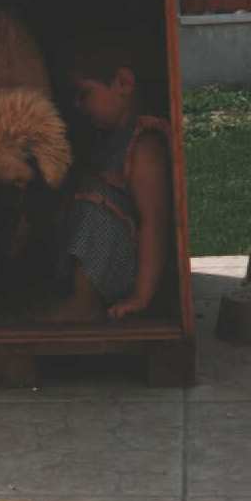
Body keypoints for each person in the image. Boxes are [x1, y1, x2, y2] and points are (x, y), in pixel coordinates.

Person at [50, 40, 171, 322]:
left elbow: (154, 223)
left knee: (96, 202)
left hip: (131, 269)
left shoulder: (144, 147)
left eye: (85, 94)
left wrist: (142, 295)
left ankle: (85, 302)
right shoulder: (110, 140)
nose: (78, 106)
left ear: (123, 83)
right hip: (105, 264)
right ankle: (72, 293)